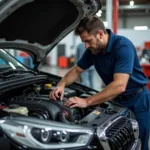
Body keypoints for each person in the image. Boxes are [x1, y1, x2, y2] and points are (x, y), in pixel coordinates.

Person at [49, 16, 150, 150]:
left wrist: (87, 101)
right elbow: (76, 70)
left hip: (138, 101)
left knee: (139, 142)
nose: (86, 45)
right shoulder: (93, 51)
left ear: (100, 34)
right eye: (84, 42)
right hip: (117, 101)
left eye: (88, 41)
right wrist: (61, 84)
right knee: (121, 142)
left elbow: (120, 85)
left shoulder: (122, 46)